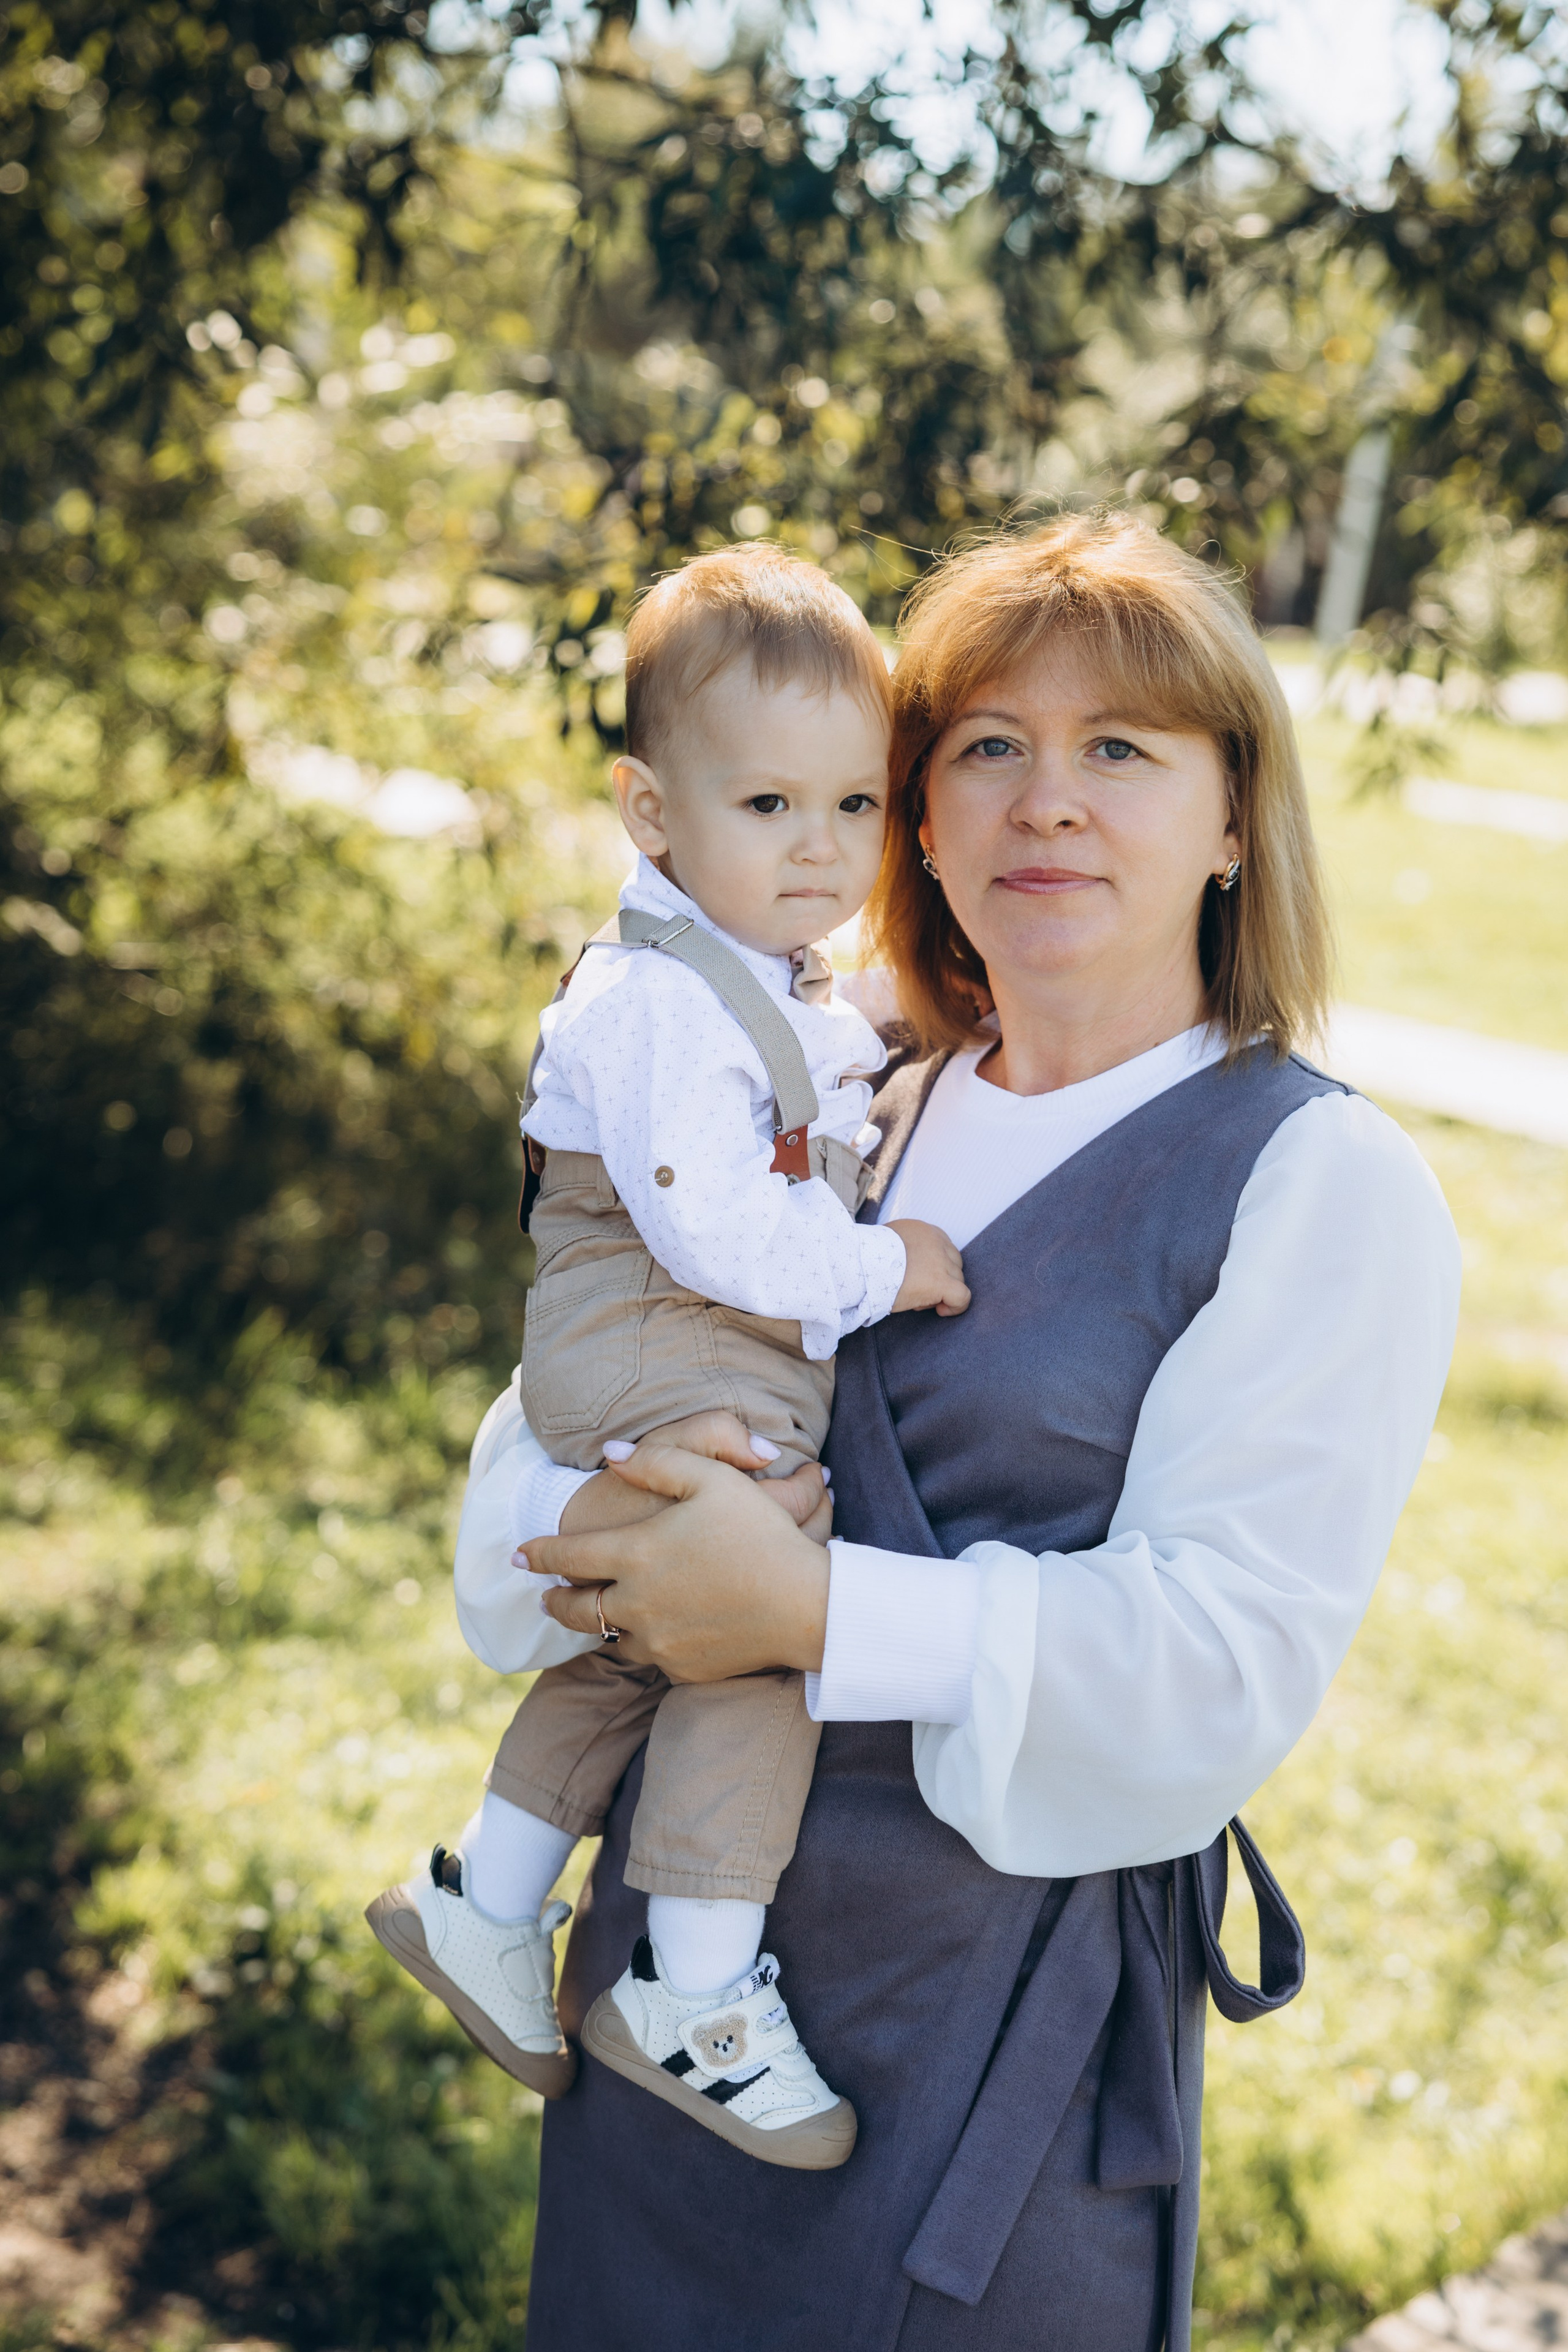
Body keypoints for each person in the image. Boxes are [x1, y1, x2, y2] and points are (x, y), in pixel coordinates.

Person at [450, 513, 1461, 2351]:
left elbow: (1221, 1665)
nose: (1046, 800)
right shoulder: (837, 1103)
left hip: (987, 2050)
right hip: (669, 2014)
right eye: (988, 744)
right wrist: (596, 1529)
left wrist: (813, 1613)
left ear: (1237, 818)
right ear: (913, 811)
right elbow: (536, 1456)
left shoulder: (1318, 1181)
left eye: (1124, 750)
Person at [368, 545, 968, 2167]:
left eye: (854, 806)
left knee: (639, 1642)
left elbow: (801, 1069)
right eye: (768, 806)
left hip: (679, 1346)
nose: (821, 847)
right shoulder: (646, 996)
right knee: (758, 1617)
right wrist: (884, 1268)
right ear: (652, 815)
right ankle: (690, 1988)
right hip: (655, 1332)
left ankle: (486, 1904)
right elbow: (714, 1227)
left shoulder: (749, 972)